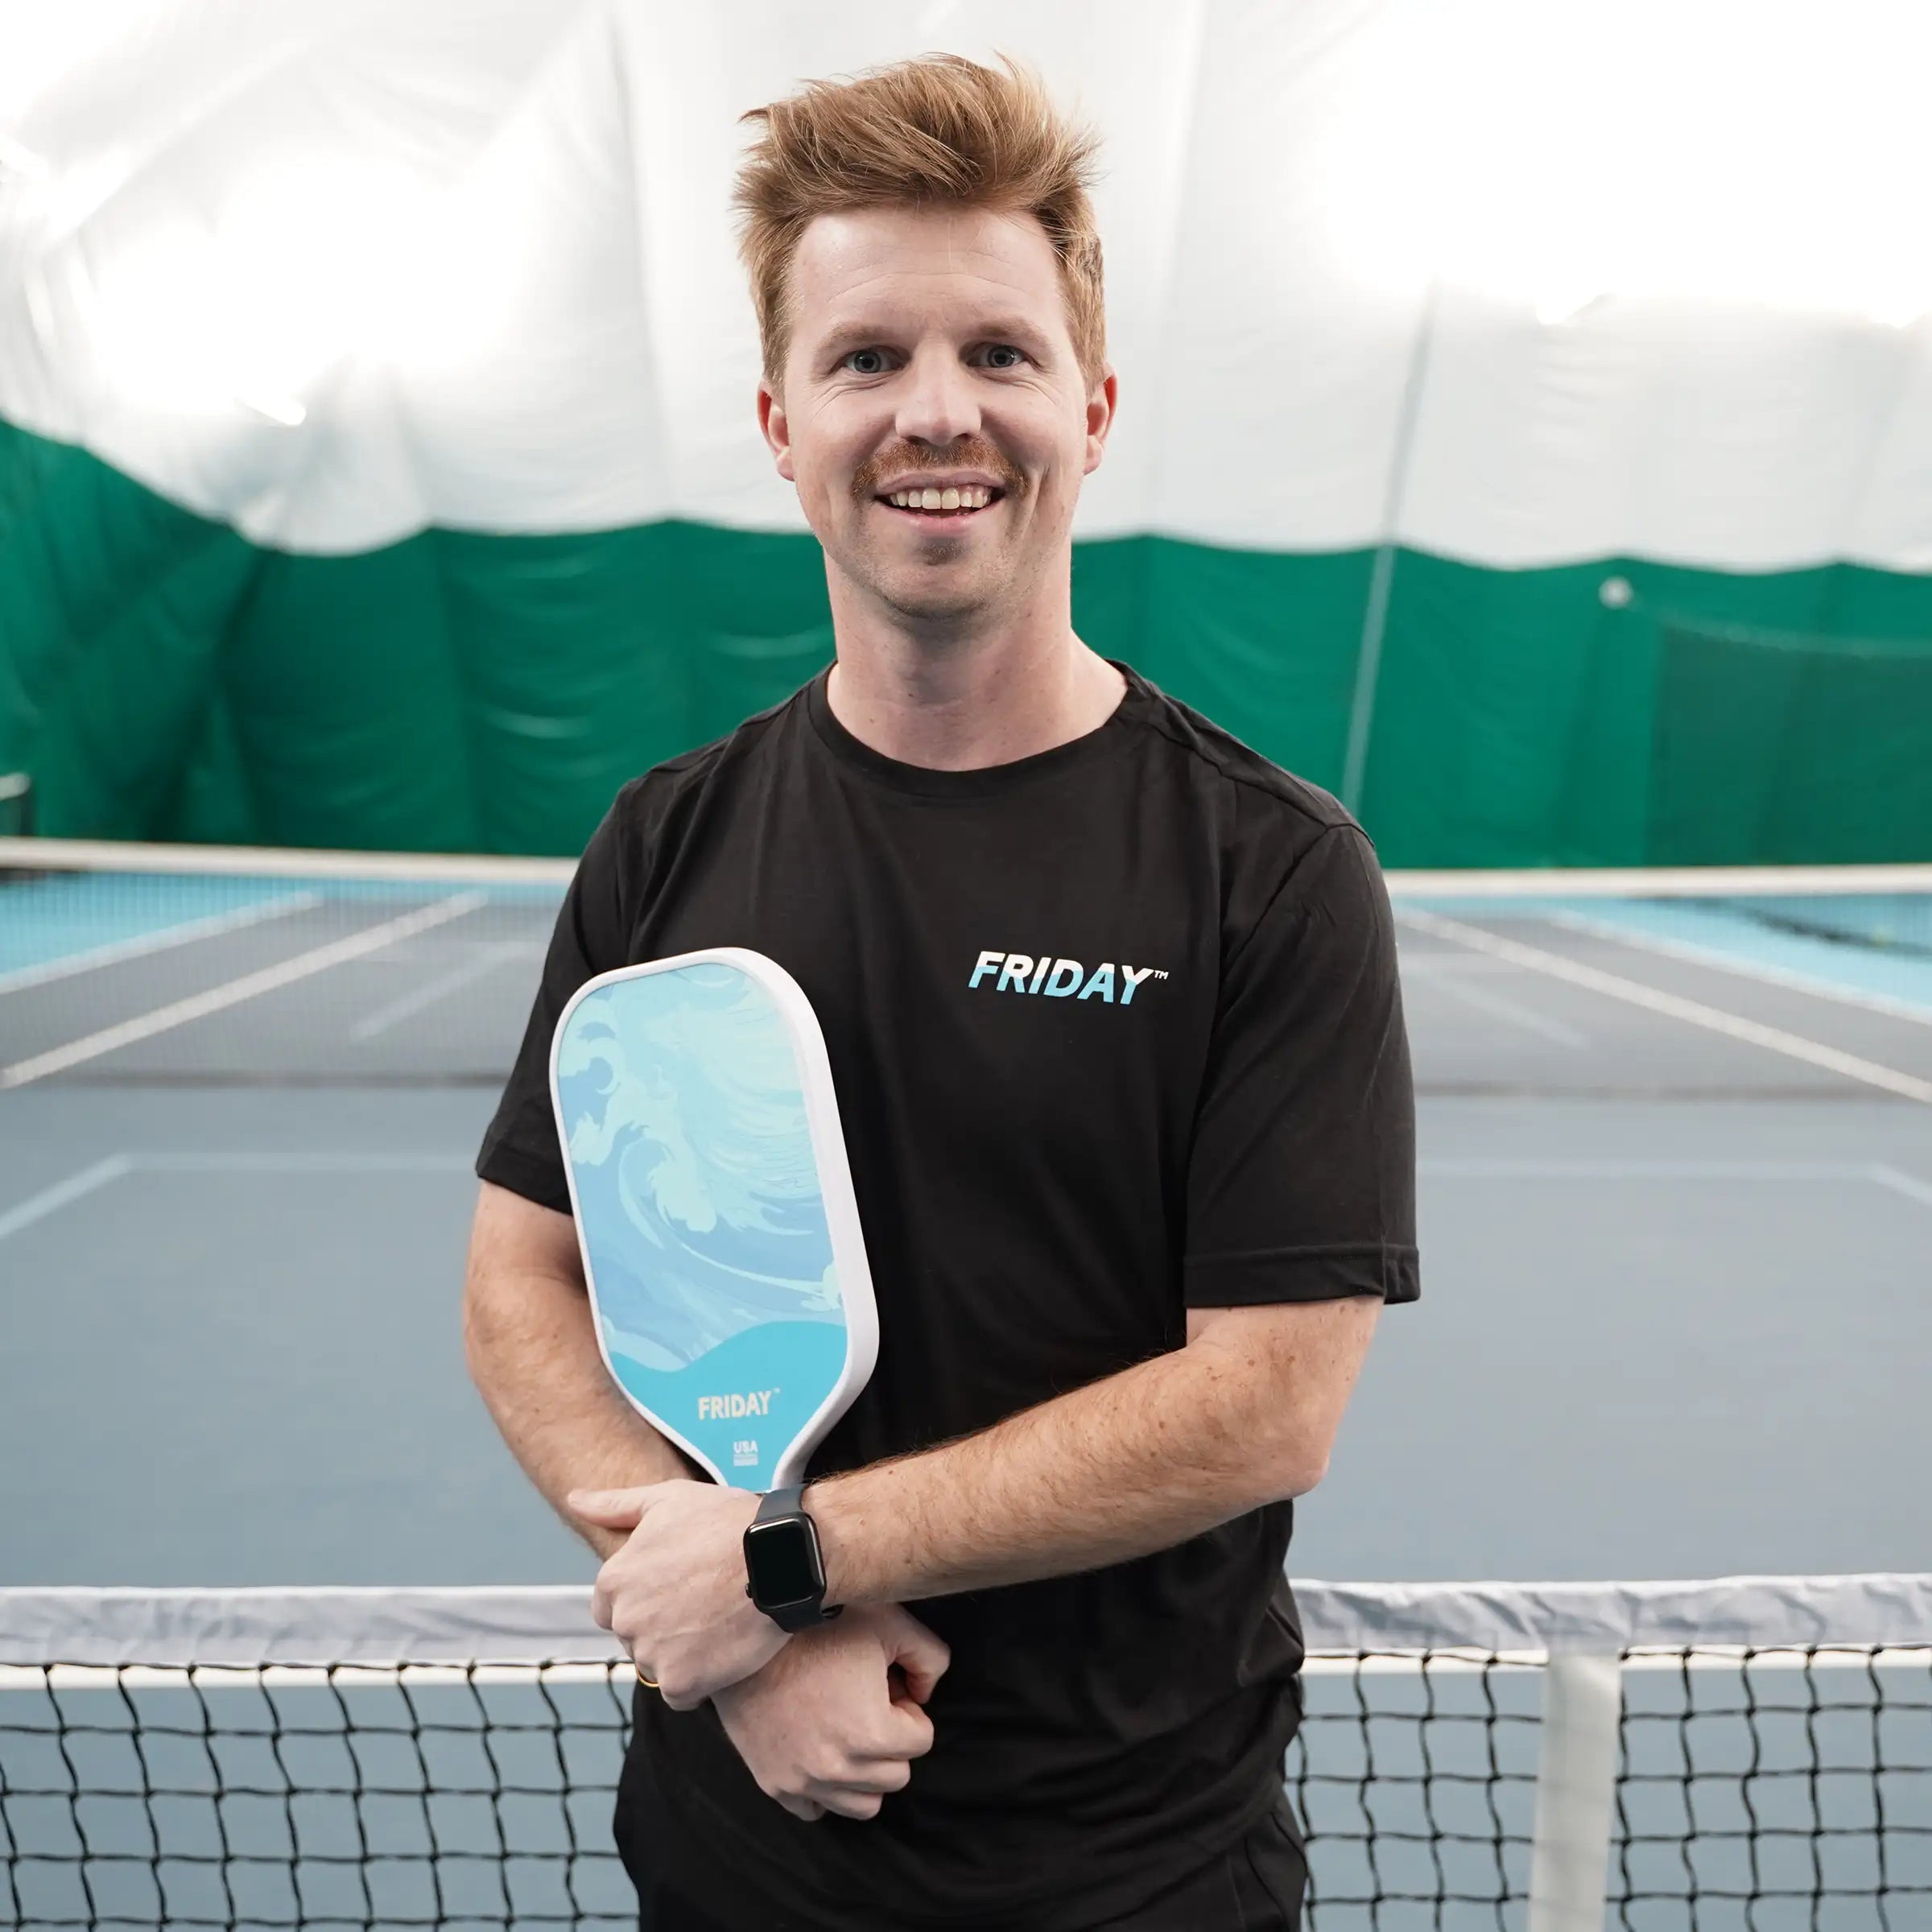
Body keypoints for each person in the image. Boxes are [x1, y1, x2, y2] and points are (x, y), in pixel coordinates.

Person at [465, 52, 1418, 1932]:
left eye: (997, 350)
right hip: (742, 1851)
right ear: (779, 420)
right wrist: (747, 1644)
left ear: (1093, 404)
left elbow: (1262, 1406)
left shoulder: (1272, 872)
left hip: (1138, 1873)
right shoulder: (661, 847)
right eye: (866, 357)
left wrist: (787, 1565)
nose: (936, 412)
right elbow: (527, 1279)